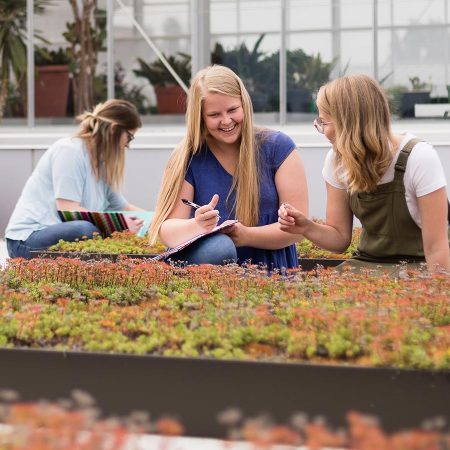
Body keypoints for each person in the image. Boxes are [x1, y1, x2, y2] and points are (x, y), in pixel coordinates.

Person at [278, 74, 449, 274]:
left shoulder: (419, 158)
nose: (322, 131)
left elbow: (436, 249)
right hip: (366, 264)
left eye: (324, 122)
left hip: (417, 268)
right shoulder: (336, 160)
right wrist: (305, 226)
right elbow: (339, 239)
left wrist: (436, 299)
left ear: (348, 123)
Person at [148, 65, 308, 269]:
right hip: (211, 285)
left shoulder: (279, 148)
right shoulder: (188, 157)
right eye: (214, 115)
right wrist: (196, 225)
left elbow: (299, 230)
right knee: (219, 248)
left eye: (233, 110)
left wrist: (246, 236)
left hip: (273, 277)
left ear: (244, 105)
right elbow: (166, 230)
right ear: (201, 118)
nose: (226, 121)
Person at [5, 99, 145, 259]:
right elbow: (68, 209)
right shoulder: (69, 150)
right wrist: (118, 226)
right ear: (114, 129)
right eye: (130, 137)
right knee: (85, 230)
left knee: (94, 231)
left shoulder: (102, 164)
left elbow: (124, 208)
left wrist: (160, 221)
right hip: (26, 241)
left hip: (57, 236)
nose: (128, 145)